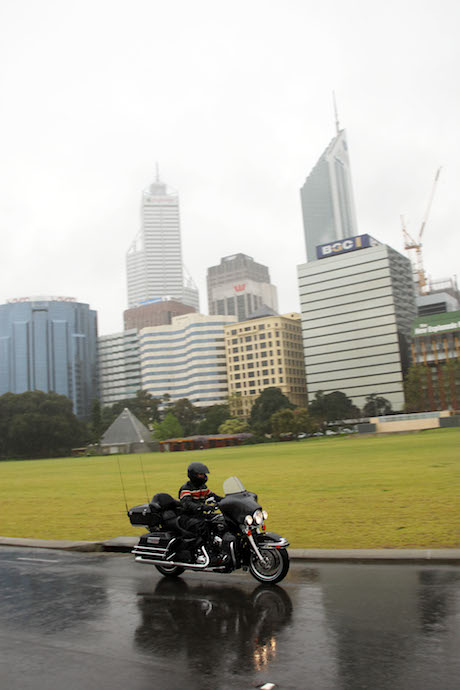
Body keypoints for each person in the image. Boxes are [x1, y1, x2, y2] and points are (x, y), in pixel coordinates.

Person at [178, 462, 227, 565]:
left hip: (200, 514)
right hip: (187, 517)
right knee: (202, 526)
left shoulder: (203, 487)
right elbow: (187, 504)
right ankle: (202, 552)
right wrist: (203, 507)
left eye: (204, 474)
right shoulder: (186, 488)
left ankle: (219, 547)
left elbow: (213, 496)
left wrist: (227, 500)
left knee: (221, 519)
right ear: (193, 475)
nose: (204, 476)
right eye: (201, 474)